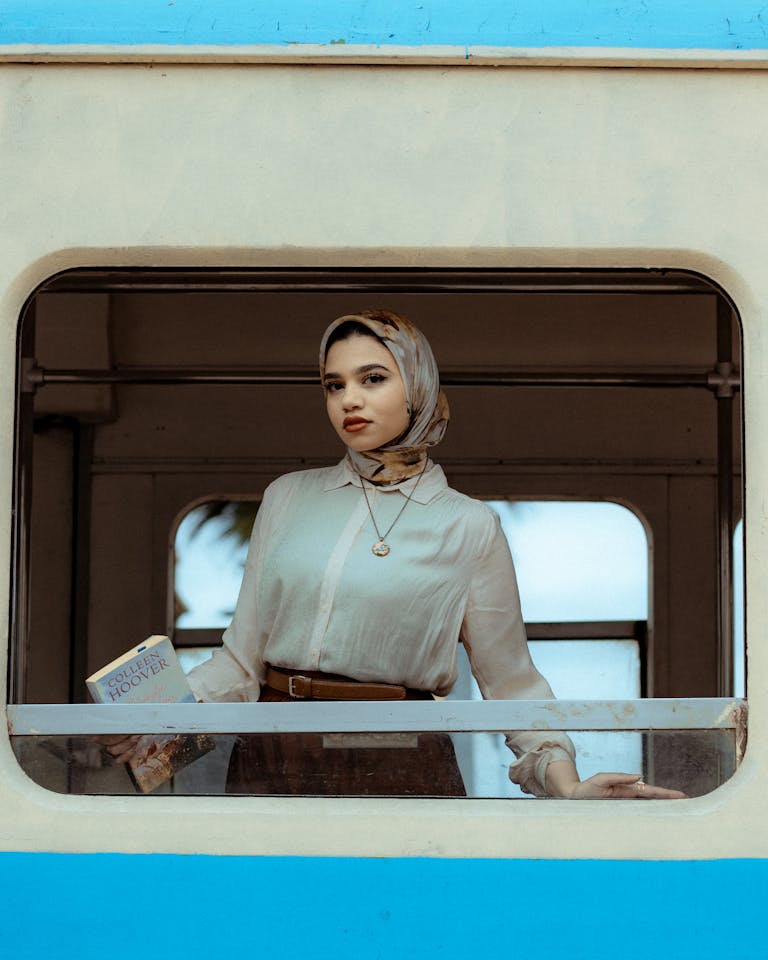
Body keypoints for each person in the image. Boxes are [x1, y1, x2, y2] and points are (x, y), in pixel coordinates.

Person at [184, 309, 684, 799]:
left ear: (418, 388)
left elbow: (512, 683)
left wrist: (565, 782)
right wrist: (141, 717)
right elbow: (240, 662)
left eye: (373, 378)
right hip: (275, 747)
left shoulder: (469, 525)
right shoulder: (287, 496)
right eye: (334, 385)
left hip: (399, 755)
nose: (348, 400)